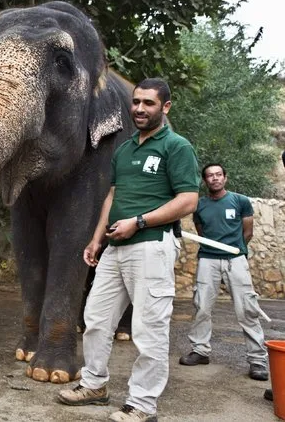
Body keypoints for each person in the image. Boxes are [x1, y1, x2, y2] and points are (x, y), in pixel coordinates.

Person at [57, 78, 200, 422]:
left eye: (148, 103)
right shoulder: (125, 149)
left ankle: (142, 404)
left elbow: (188, 200)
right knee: (95, 319)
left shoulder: (176, 147)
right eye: (135, 102)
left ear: (165, 107)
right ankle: (94, 384)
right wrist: (96, 240)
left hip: (151, 246)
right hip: (115, 248)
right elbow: (113, 196)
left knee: (149, 329)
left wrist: (140, 221)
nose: (139, 108)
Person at [178, 163, 268, 381]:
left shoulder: (240, 201)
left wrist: (235, 251)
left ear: (225, 178)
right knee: (202, 306)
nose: (214, 178)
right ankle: (200, 351)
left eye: (218, 175)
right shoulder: (199, 205)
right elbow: (201, 232)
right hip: (208, 259)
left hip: (235, 259)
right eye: (210, 176)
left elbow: (248, 232)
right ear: (205, 180)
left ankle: (257, 360)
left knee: (247, 308)